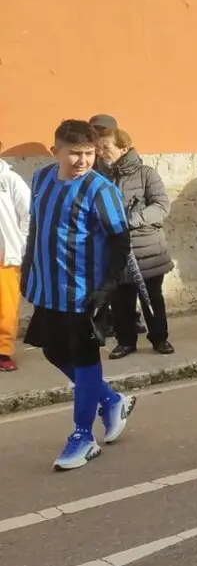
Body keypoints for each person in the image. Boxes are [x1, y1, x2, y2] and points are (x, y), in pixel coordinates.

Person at [21, 119, 137, 470]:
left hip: (85, 294)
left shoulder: (101, 190)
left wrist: (107, 287)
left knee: (85, 360)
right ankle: (111, 400)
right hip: (48, 289)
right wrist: (28, 270)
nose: (83, 161)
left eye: (89, 153)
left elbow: (120, 241)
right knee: (53, 350)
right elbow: (37, 229)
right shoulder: (41, 179)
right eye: (74, 153)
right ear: (55, 150)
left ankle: (83, 436)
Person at [95, 128, 176, 359]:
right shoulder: (99, 178)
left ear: (123, 148)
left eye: (106, 147)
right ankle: (126, 341)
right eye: (99, 148)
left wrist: (129, 221)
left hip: (147, 249)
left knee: (152, 297)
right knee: (121, 301)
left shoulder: (146, 174)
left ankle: (160, 338)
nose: (101, 152)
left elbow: (161, 206)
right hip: (115, 251)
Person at [0, 147, 31, 372]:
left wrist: (21, 244)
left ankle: (3, 351)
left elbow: (28, 214)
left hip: (5, 256)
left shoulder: (10, 179)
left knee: (5, 307)